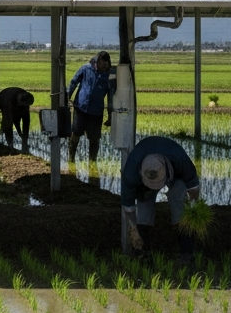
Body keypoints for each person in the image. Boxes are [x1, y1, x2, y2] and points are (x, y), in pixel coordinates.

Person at [120, 135, 201, 263]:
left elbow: (193, 187)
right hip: (144, 175)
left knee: (178, 202)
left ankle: (187, 252)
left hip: (176, 174)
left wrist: (192, 212)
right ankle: (143, 252)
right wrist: (133, 229)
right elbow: (128, 205)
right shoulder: (131, 172)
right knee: (144, 204)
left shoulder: (180, 160)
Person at [66, 51, 113, 164]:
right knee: (76, 134)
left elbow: (111, 97)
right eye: (102, 65)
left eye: (106, 66)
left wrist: (110, 116)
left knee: (94, 138)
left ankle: (92, 162)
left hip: (96, 111)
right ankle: (71, 159)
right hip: (80, 107)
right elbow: (74, 82)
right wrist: (67, 96)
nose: (104, 68)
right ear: (97, 62)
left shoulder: (110, 76)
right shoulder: (86, 69)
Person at [0, 86, 35, 153]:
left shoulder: (26, 98)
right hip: (2, 100)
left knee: (25, 117)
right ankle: (9, 144)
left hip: (14, 100)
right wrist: (19, 131)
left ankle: (24, 143)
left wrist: (24, 137)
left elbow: (26, 121)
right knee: (7, 124)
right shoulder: (9, 101)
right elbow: (13, 120)